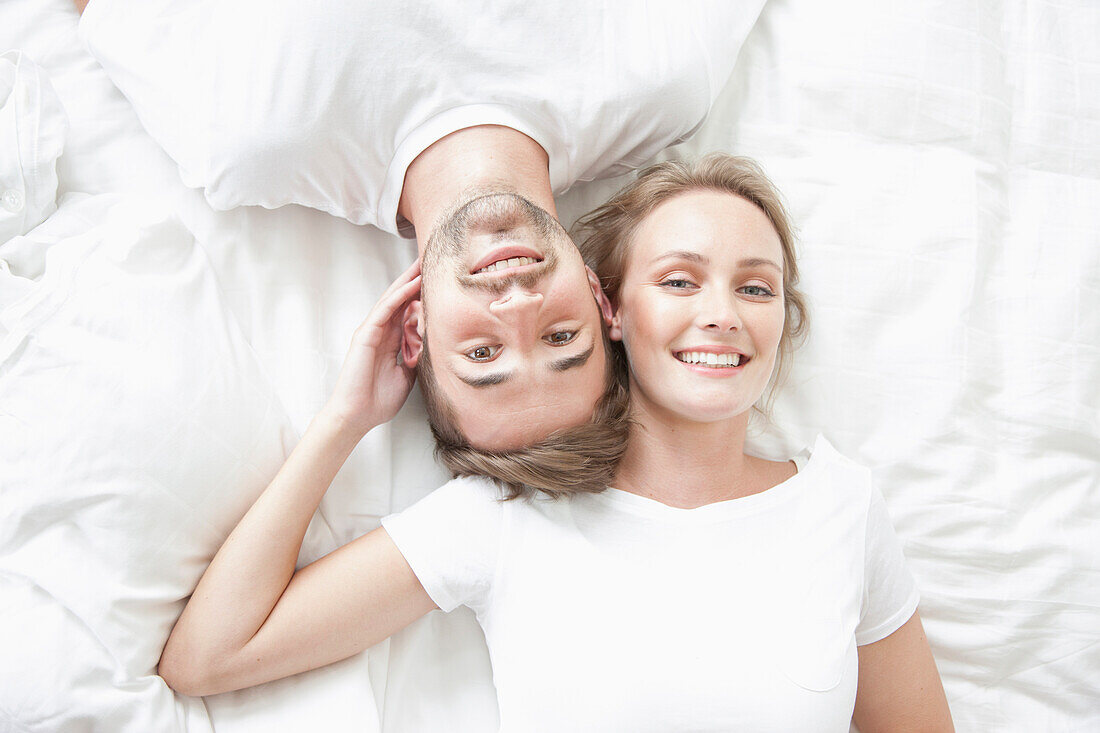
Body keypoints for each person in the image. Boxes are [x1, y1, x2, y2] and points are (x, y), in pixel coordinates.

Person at [158, 154, 952, 731]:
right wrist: (343, 423)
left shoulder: (841, 507)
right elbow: (210, 655)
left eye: (756, 286)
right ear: (614, 310)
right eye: (680, 280)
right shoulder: (507, 519)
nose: (723, 313)